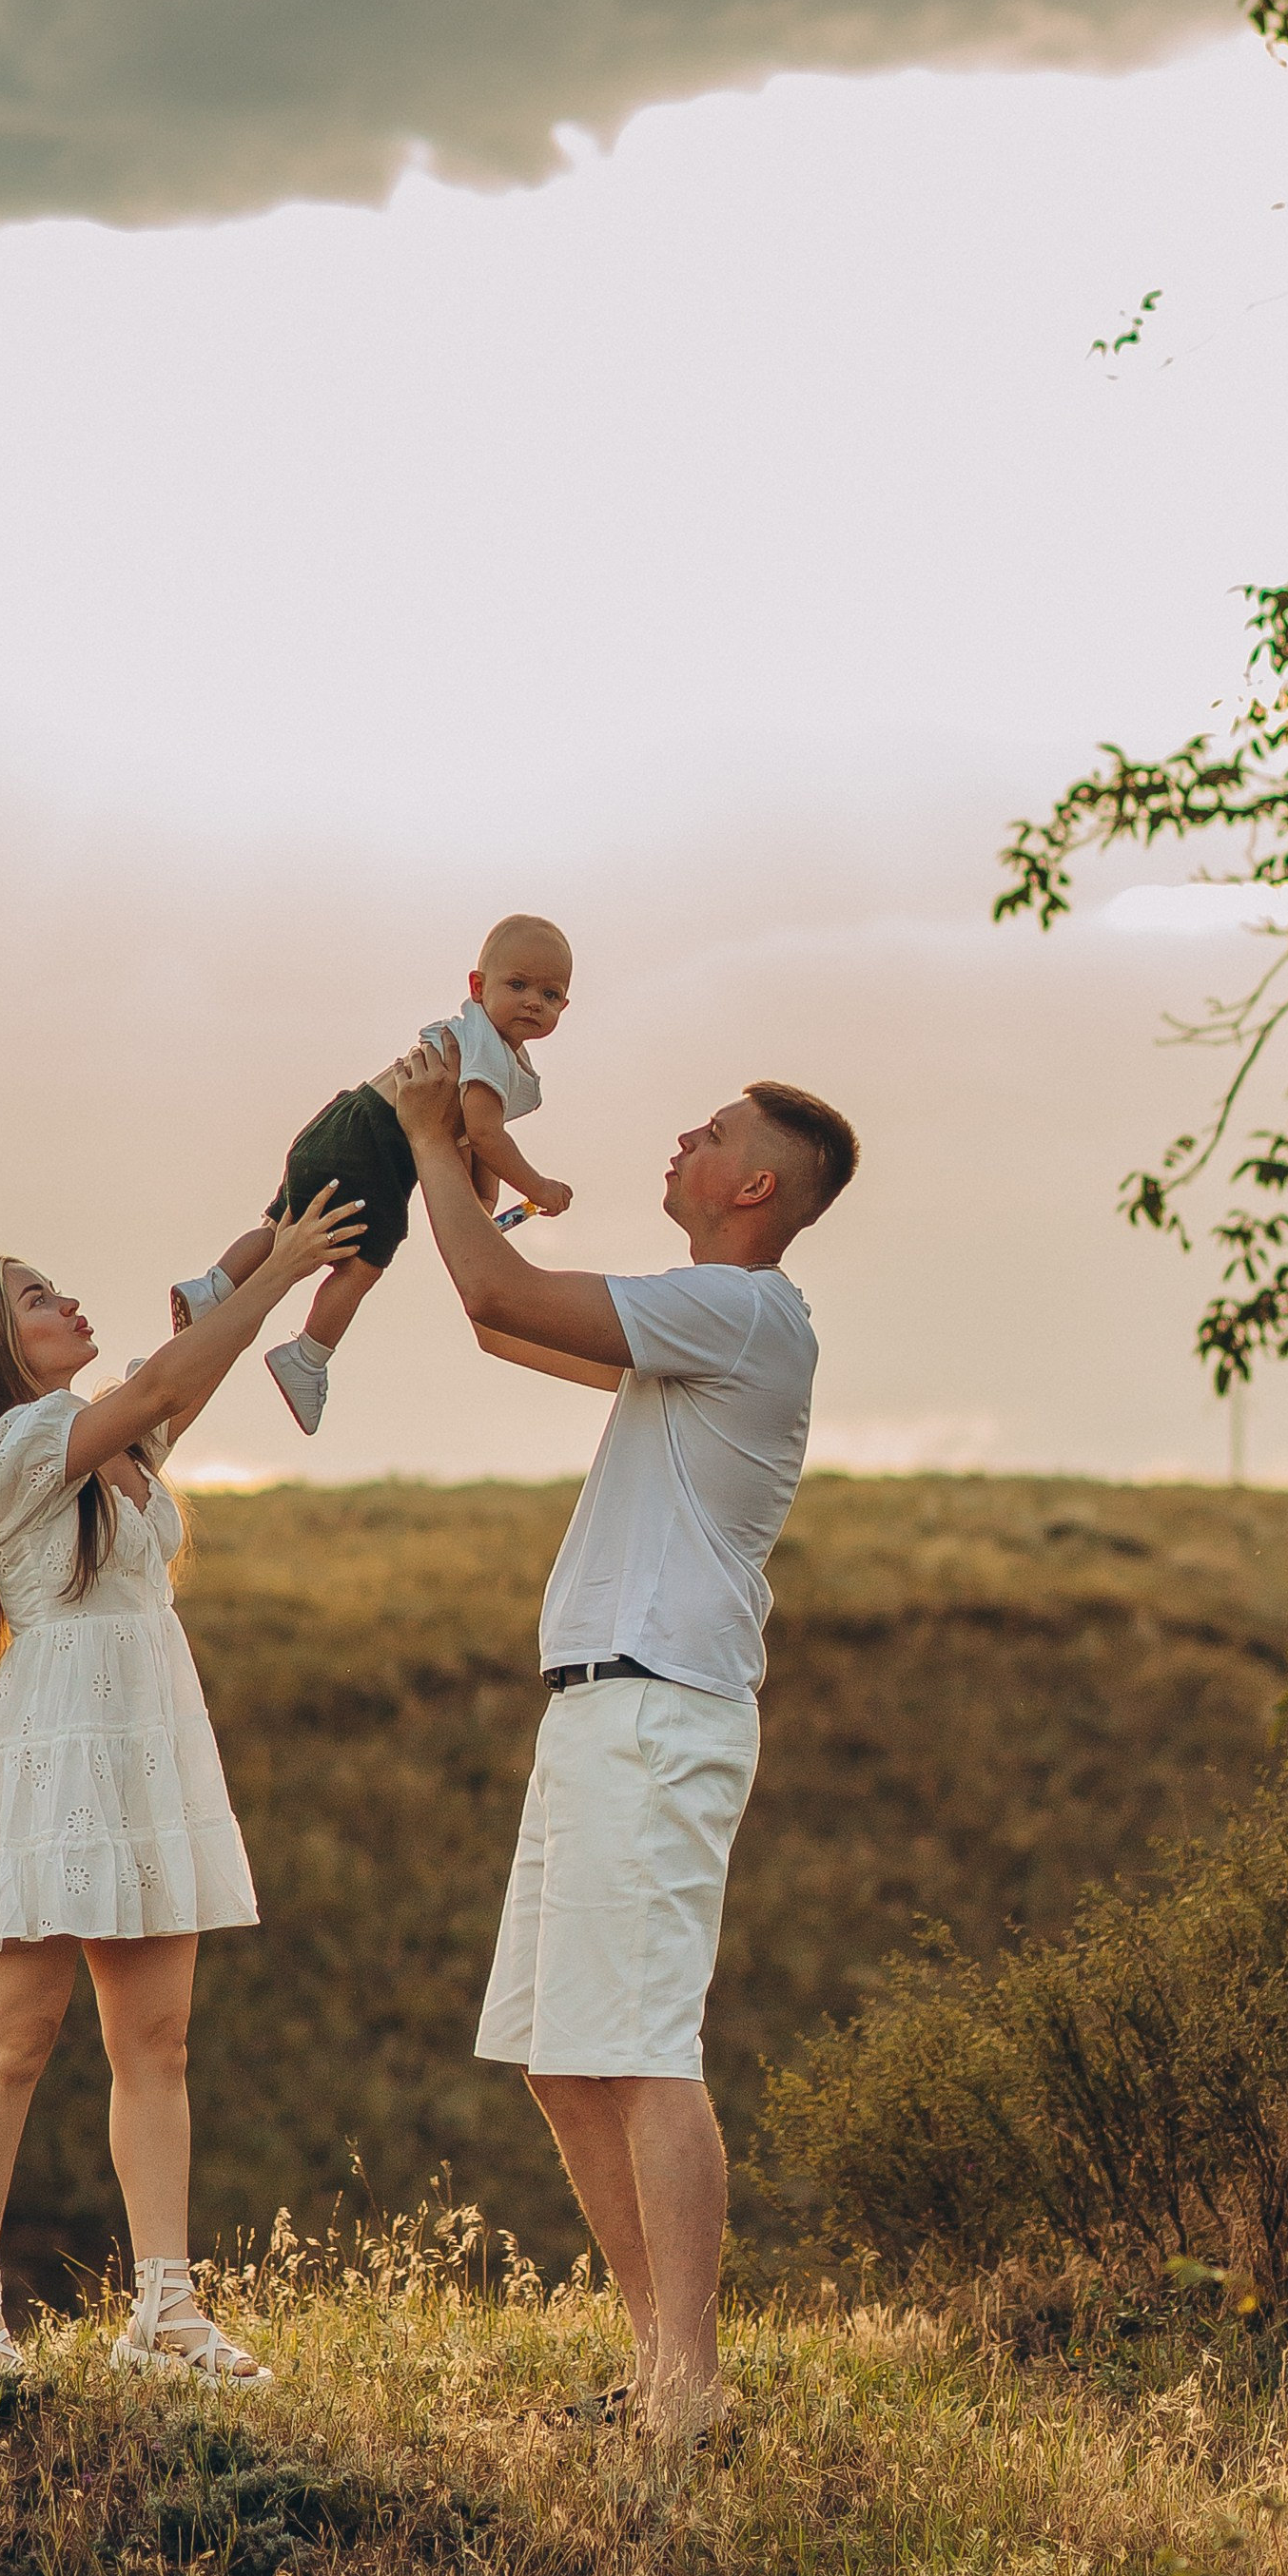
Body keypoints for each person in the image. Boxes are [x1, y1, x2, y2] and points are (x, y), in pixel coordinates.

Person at [386, 1040, 859, 2445]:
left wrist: (426, 1134)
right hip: (603, 1707)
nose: (681, 1141)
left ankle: (694, 2387)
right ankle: (659, 2371)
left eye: (706, 1132)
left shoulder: (742, 1311)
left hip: (657, 1709)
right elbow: (500, 1321)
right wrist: (466, 1164)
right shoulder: (701, 1325)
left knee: (643, 2047)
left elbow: (495, 1291)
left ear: (754, 1181)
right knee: (561, 2054)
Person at [0, 1190, 360, 2387]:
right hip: (60, 1751)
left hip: (144, 1745)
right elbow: (157, 1385)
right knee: (15, 2041)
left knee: (158, 2039)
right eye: (38, 1300)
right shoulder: (15, 1449)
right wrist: (282, 1271)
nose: (67, 1304)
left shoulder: (118, 1445)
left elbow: (193, 1353)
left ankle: (166, 2310)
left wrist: (284, 1236)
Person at [170, 914, 576, 1437]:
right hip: (376, 1148)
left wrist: (479, 1210)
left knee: (282, 1230)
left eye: (550, 993)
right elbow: (486, 1135)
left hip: (341, 1123)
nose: (532, 1002)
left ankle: (213, 1288)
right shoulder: (491, 1055)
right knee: (361, 1266)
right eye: (517, 985)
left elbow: (468, 1143)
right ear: (478, 987)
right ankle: (307, 1357)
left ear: (564, 1006)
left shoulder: (468, 1037)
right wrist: (537, 1188)